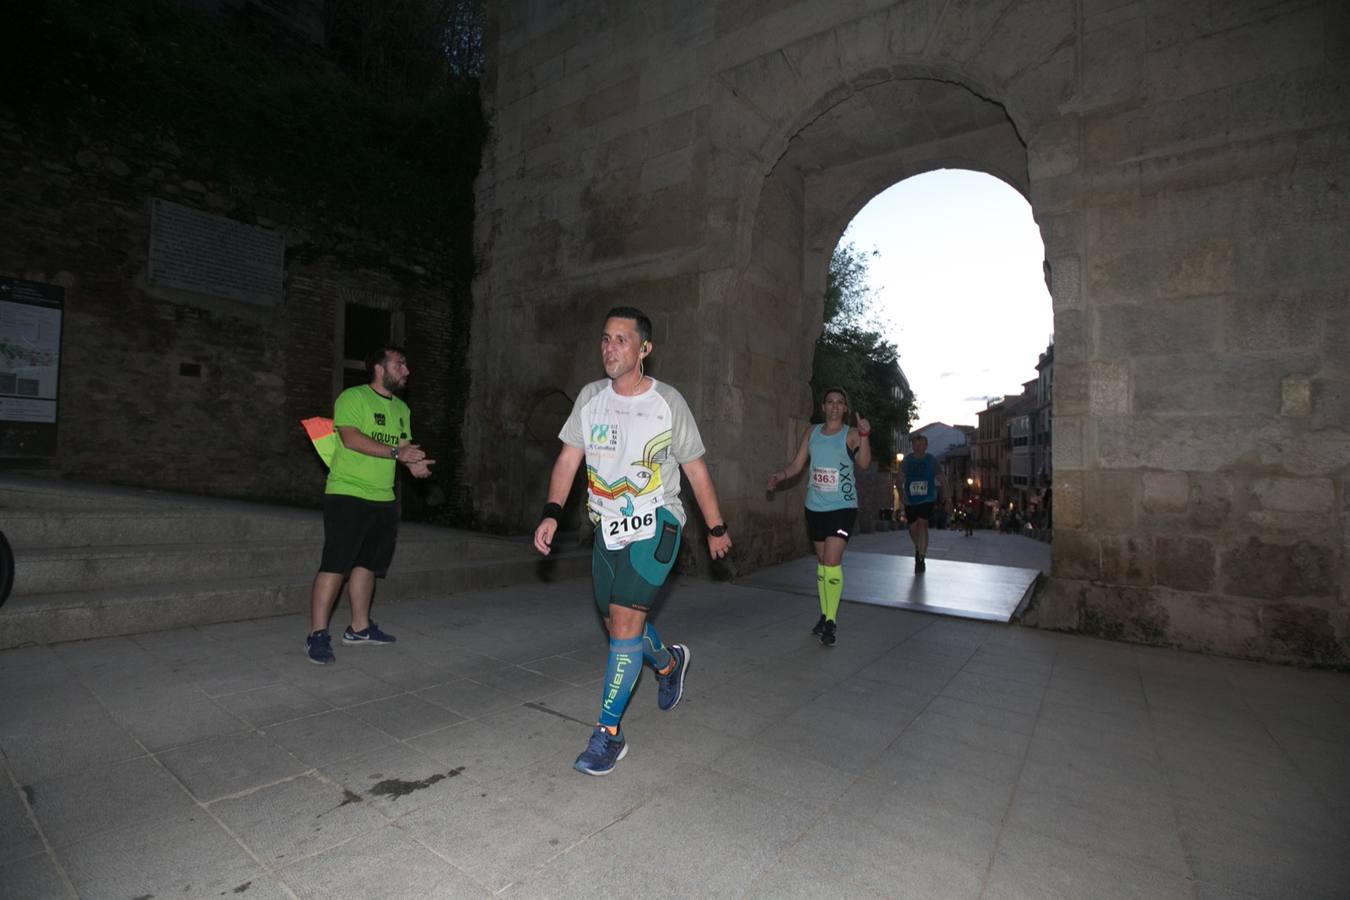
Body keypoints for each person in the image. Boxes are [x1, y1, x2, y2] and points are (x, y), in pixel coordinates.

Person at [533, 307, 732, 776]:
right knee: (617, 622)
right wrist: (551, 513)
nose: (610, 347)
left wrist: (716, 527)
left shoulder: (667, 403)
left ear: (644, 349)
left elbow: (695, 468)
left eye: (621, 340)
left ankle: (608, 734)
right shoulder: (589, 399)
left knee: (623, 623)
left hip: (658, 521)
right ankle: (668, 663)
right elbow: (567, 460)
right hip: (607, 526)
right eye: (605, 338)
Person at [305, 344, 434, 665]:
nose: (406, 370)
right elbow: (350, 438)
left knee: (368, 564)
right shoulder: (353, 398)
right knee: (336, 564)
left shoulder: (402, 409)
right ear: (379, 367)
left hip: (383, 497)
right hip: (348, 493)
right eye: (400, 364)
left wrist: (413, 464)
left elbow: (402, 447)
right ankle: (317, 634)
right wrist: (396, 454)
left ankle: (359, 628)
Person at [766, 388, 871, 647]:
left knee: (833, 561)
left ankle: (831, 622)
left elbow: (865, 464)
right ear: (823, 407)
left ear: (845, 408)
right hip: (815, 507)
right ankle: (825, 613)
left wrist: (866, 435)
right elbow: (797, 465)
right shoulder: (812, 432)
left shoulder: (852, 435)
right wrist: (780, 475)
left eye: (840, 403)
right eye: (830, 402)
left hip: (843, 507)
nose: (835, 406)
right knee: (823, 562)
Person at [900, 434, 943, 573]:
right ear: (912, 446)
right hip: (910, 500)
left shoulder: (931, 461)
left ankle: (921, 557)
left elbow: (943, 480)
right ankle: (919, 547)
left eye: (920, 444)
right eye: (915, 444)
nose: (917, 447)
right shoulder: (907, 461)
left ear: (926, 446)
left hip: (927, 498)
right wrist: (901, 496)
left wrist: (948, 499)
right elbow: (898, 480)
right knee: (912, 528)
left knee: (922, 524)